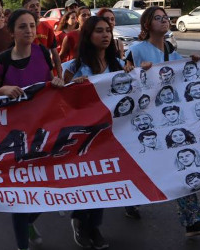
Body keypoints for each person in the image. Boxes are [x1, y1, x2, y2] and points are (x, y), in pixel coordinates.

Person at [123, 6, 200, 236]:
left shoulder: (170, 49)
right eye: (158, 18)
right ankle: (130, 197)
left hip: (169, 118)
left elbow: (179, 73)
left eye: (166, 18)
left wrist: (193, 62)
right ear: (147, 24)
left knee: (178, 164)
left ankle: (193, 219)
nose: (164, 21)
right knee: (147, 165)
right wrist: (136, 70)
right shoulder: (136, 50)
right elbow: (124, 78)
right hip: (145, 120)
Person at [0, 9, 64, 250]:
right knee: (20, 195)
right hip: (14, 137)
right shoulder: (2, 60)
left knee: (49, 189)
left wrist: (57, 82)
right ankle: (22, 244)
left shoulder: (43, 53)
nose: (29, 30)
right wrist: (3, 90)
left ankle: (28, 221)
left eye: (32, 25)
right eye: (22, 26)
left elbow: (51, 83)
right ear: (11, 32)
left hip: (43, 131)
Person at [61, 15, 130, 249]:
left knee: (103, 180)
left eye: (108, 30)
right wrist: (73, 88)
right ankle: (80, 220)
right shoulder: (73, 68)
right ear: (88, 36)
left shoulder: (118, 65)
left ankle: (95, 226)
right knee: (86, 179)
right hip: (83, 136)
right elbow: (60, 102)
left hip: (110, 134)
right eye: (99, 31)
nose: (105, 35)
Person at [23, 0, 62, 77]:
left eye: (38, 5)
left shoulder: (47, 27)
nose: (36, 8)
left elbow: (55, 54)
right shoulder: (21, 29)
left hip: (45, 70)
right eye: (32, 6)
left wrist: (60, 76)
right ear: (25, 9)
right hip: (26, 70)